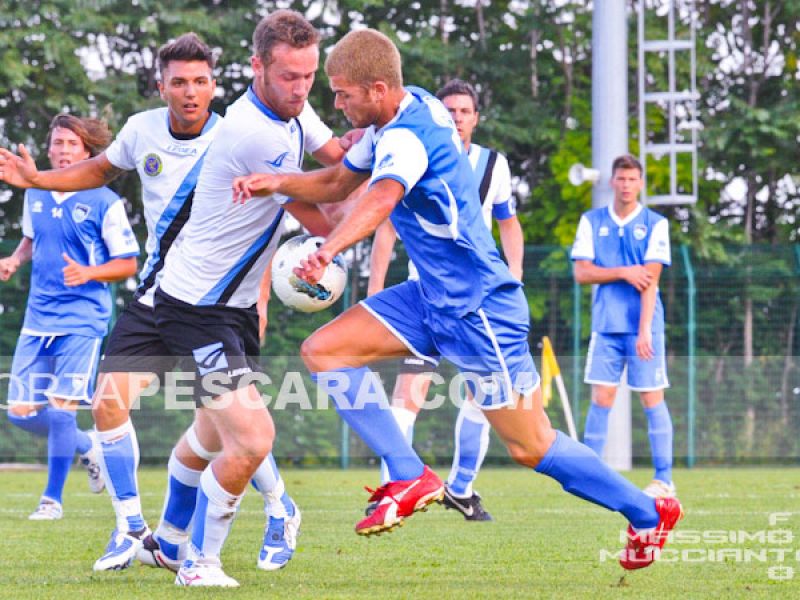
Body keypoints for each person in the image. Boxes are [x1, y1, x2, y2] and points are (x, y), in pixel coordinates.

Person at [233, 28, 683, 571]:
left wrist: (327, 250)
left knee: (531, 446)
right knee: (324, 351)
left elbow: (380, 197)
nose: (337, 103)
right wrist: (276, 182)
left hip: (478, 309)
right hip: (431, 298)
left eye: (343, 93)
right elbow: (334, 184)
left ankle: (647, 512)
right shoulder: (406, 109)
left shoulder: (405, 139)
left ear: (377, 89)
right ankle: (408, 473)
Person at [0, 33, 300, 573]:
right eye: (179, 82)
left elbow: (269, 218)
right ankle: (132, 528)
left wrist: (259, 297)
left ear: (215, 85)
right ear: (161, 86)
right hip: (159, 294)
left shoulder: (237, 137)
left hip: (214, 304)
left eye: (201, 81)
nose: (191, 92)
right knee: (107, 402)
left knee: (226, 423)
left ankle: (280, 507)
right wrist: (39, 179)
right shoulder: (141, 130)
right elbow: (98, 170)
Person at [150, 11, 352, 587]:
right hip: (195, 309)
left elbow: (337, 156)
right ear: (258, 66)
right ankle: (200, 563)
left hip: (233, 308)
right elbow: (330, 207)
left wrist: (365, 146)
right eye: (288, 76)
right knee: (253, 438)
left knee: (210, 436)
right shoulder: (253, 133)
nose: (300, 89)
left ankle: (168, 541)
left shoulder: (292, 108)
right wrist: (390, 173)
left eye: (309, 76)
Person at [366, 78, 524, 521]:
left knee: (482, 397)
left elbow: (508, 223)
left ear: (476, 118)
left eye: (464, 111)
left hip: (477, 302)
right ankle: (393, 489)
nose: (456, 117)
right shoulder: (416, 149)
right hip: (425, 295)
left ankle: (461, 490)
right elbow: (386, 226)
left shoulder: (493, 165)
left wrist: (514, 277)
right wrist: (376, 287)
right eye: (449, 109)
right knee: (408, 393)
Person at [0, 114, 139, 520]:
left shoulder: (104, 201)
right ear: (48, 149)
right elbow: (31, 238)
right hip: (38, 317)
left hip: (83, 319)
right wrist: (15, 260)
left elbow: (128, 263)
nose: (63, 151)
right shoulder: (35, 192)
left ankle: (52, 501)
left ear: (87, 152)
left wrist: (89, 273)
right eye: (58, 143)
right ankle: (87, 445)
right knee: (19, 412)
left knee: (62, 410)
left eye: (71, 144)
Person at [571, 154, 675, 498]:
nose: (626, 185)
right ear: (612, 182)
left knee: (651, 397)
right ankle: (590, 476)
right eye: (621, 178)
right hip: (606, 326)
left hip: (643, 327)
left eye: (632, 179)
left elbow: (650, 280)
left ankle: (663, 479)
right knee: (601, 397)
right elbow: (582, 272)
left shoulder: (655, 224)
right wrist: (622, 271)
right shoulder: (591, 221)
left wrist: (645, 329)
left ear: (640, 183)